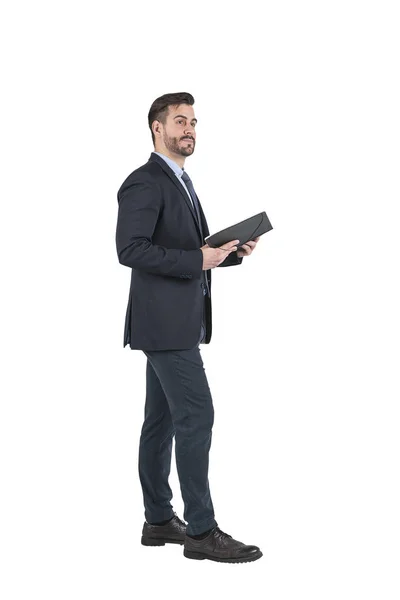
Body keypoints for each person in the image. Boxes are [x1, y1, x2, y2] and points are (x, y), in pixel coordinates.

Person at [115, 92, 262, 563]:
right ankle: (201, 530)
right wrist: (197, 258)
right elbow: (130, 249)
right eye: (180, 121)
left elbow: (187, 249)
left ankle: (158, 521)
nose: (190, 128)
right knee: (196, 417)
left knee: (160, 422)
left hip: (174, 323)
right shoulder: (144, 182)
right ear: (157, 128)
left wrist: (227, 254)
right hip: (165, 327)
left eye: (194, 121)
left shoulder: (181, 180)